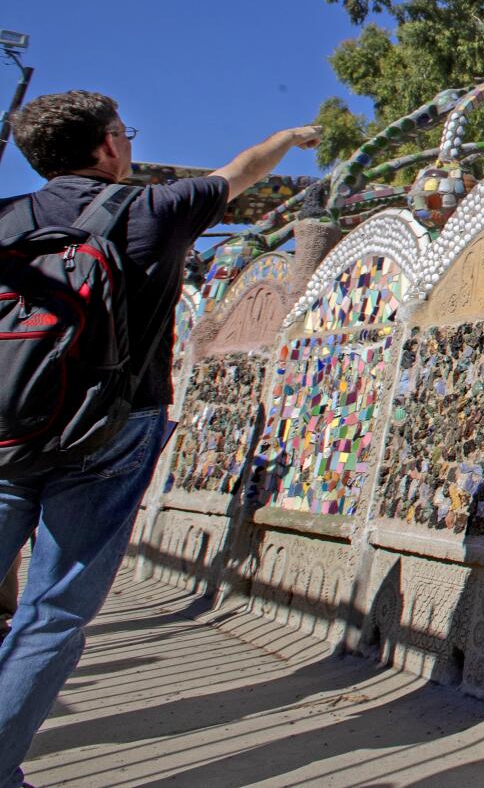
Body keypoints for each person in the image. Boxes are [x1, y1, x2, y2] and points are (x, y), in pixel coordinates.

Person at [0, 91, 318, 787]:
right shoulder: (152, 209)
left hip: (5, 434)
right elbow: (241, 171)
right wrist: (289, 135)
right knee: (52, 613)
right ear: (108, 145)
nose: (130, 144)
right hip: (109, 431)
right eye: (125, 132)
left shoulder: (8, 220)